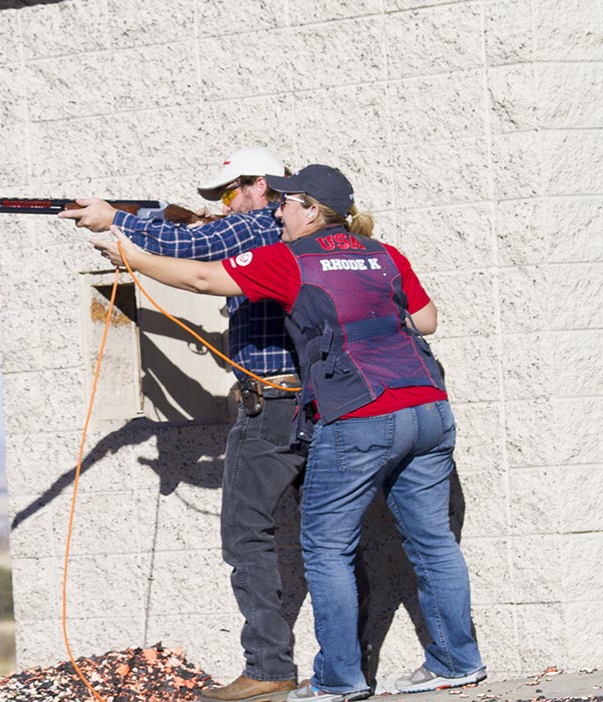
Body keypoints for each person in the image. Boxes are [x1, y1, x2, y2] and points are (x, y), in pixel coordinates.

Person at [90, 164, 485, 702]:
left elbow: (205, 279)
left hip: (360, 413)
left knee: (325, 548)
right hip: (428, 407)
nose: (277, 211)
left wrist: (132, 258)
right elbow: (427, 319)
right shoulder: (386, 255)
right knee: (434, 541)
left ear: (310, 209)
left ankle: (340, 680)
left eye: (286, 204)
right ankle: (457, 663)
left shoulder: (292, 259)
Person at [62, 147, 306, 702]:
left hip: (270, 403)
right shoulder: (294, 230)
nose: (225, 207)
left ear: (257, 187)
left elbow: (190, 251)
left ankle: (269, 667)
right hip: (315, 398)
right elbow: (193, 233)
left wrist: (115, 220)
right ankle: (342, 667)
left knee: (246, 535)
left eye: (229, 193)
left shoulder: (254, 225)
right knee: (328, 537)